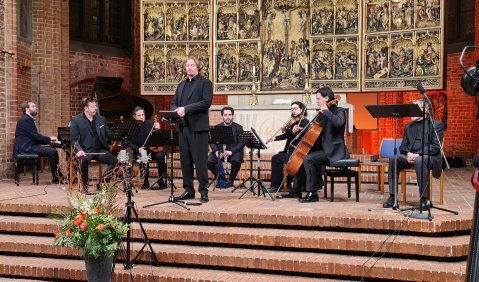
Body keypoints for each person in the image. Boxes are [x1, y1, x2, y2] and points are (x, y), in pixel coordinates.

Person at [383, 99, 444, 210]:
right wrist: (408, 154)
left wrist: (418, 155)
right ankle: (392, 197)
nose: (411, 112)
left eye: (414, 109)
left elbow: (435, 147)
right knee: (394, 159)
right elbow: (403, 147)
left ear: (425, 110)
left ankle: (424, 199)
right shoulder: (408, 126)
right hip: (410, 156)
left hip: (429, 157)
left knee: (420, 160)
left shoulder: (436, 125)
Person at [292, 87, 348, 203]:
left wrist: (326, 112)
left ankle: (312, 193)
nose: (316, 101)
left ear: (326, 98)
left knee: (308, 159)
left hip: (335, 151)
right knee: (306, 156)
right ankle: (300, 189)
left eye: (318, 99)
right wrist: (300, 130)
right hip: (324, 149)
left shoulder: (339, 111)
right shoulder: (322, 114)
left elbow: (339, 123)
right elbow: (315, 130)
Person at [171, 56, 213, 203]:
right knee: (186, 161)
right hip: (183, 127)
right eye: (187, 65)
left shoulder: (205, 83)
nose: (189, 67)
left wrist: (186, 109)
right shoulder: (181, 85)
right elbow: (174, 103)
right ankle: (189, 190)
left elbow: (206, 103)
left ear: (198, 67)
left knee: (200, 161)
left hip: (198, 128)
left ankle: (203, 191)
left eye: (192, 65)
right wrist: (175, 111)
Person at [70, 97, 118, 194]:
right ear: (86, 108)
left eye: (95, 106)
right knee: (83, 160)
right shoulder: (76, 120)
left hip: (99, 150)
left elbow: (109, 135)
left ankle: (102, 183)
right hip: (85, 150)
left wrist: (117, 135)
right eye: (93, 106)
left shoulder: (101, 119)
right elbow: (73, 140)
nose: (95, 108)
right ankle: (85, 187)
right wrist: (78, 150)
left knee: (115, 160)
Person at [266, 101, 309, 197]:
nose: (293, 111)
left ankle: (275, 186)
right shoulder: (295, 121)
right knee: (279, 156)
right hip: (291, 151)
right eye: (292, 109)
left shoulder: (304, 122)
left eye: (295, 108)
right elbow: (287, 135)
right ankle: (287, 184)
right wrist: (274, 138)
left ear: (302, 109)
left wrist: (287, 129)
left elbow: (295, 138)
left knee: (276, 158)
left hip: (297, 153)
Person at [13, 101, 61, 183]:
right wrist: (50, 139)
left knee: (51, 150)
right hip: (27, 148)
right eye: (33, 106)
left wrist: (49, 140)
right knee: (53, 152)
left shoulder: (26, 119)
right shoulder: (26, 120)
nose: (36, 108)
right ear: (27, 109)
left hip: (27, 146)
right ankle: (57, 178)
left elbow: (34, 136)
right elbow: (36, 136)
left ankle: (57, 177)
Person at [125, 106, 167, 190]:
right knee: (143, 155)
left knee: (161, 156)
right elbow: (127, 142)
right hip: (138, 151)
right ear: (134, 116)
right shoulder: (131, 126)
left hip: (151, 150)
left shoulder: (150, 123)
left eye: (142, 115)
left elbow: (159, 138)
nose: (141, 117)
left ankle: (161, 179)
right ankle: (145, 180)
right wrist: (137, 148)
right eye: (139, 115)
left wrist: (158, 130)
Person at [207, 106, 244, 188]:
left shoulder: (238, 128)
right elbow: (212, 142)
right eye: (225, 115)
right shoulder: (217, 127)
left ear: (232, 116)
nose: (228, 117)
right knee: (208, 162)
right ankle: (221, 178)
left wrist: (232, 151)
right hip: (220, 151)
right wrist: (216, 151)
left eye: (230, 115)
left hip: (233, 152)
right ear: (222, 116)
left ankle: (230, 181)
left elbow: (241, 143)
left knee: (237, 161)